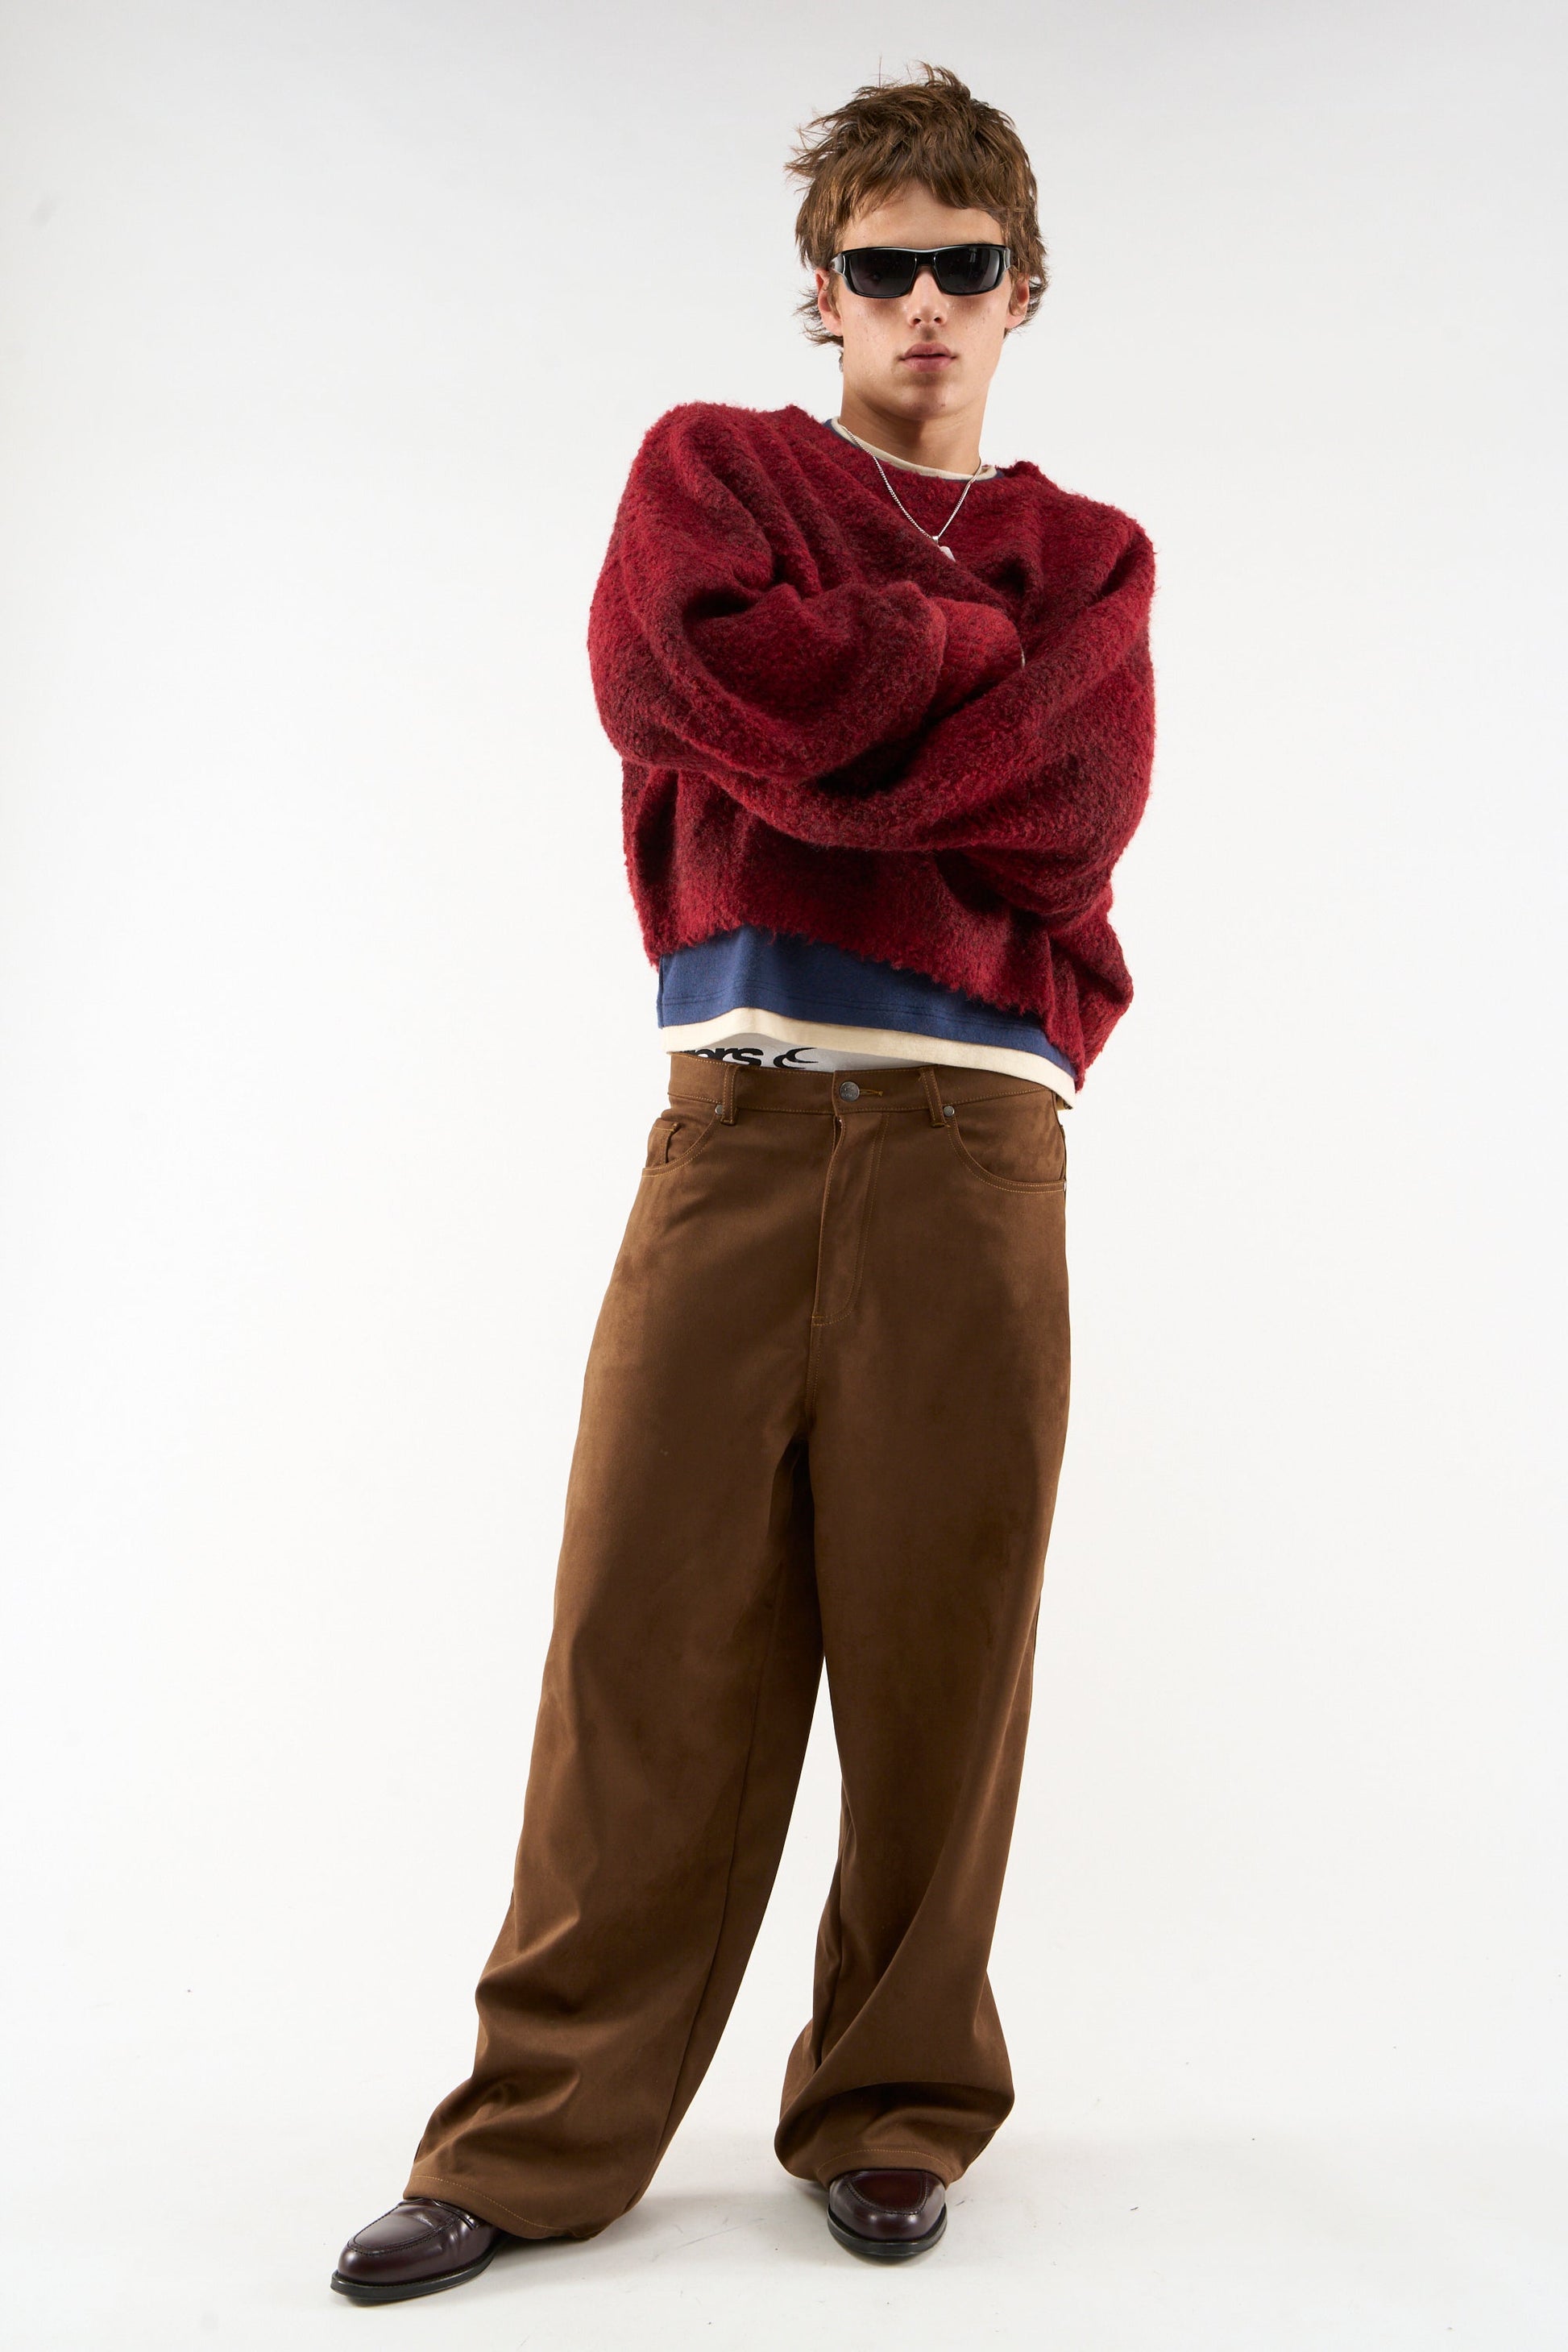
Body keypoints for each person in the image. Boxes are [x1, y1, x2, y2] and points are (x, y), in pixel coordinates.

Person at [331, 60, 1156, 2304]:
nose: (923, 304)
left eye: (964, 267)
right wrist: (945, 677)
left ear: (1022, 289)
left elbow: (1067, 807)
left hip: (972, 1149)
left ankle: (893, 2111)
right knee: (640, 1639)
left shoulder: (1089, 559)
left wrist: (849, 704)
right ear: (823, 289)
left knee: (941, 1650)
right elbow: (676, 674)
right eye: (882, 268)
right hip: (737, 1125)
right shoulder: (716, 473)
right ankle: (533, 2140)